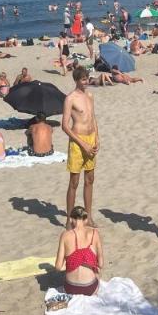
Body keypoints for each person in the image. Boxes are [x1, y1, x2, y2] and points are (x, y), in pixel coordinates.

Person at [62, 66, 98, 223]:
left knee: (90, 179)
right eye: (83, 79)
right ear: (77, 80)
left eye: (87, 78)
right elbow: (64, 125)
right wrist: (82, 144)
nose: (86, 81)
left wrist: (97, 137)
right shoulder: (70, 98)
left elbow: (92, 118)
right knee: (74, 182)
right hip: (78, 142)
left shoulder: (89, 95)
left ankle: (88, 216)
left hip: (91, 139)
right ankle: (70, 219)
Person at [55, 205, 104, 296]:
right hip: (89, 288)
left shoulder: (65, 235)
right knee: (97, 273)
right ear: (86, 220)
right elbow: (101, 264)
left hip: (71, 288)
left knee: (66, 275)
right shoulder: (95, 233)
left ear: (70, 219)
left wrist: (72, 263)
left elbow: (58, 267)